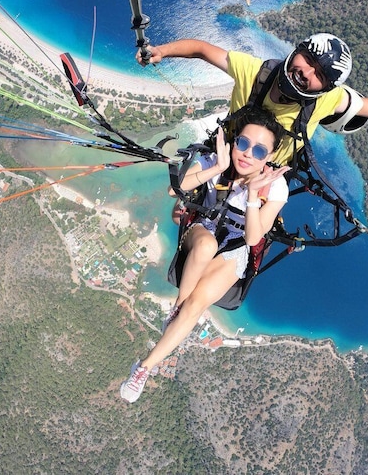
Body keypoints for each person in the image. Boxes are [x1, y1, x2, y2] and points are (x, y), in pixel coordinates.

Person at [120, 107, 290, 403]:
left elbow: (252, 237)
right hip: (203, 231)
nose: (248, 154)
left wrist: (252, 195)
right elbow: (177, 191)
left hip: (236, 246)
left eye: (259, 150)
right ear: (234, 141)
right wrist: (217, 167)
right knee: (207, 247)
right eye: (244, 143)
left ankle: (143, 368)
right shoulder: (215, 161)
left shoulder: (275, 187)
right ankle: (176, 309)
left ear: (269, 157)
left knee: (197, 306)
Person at [136, 33, 368, 165]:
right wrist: (162, 51)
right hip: (226, 151)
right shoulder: (256, 72)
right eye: (308, 59)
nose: (307, 72)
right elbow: (202, 50)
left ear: (325, 87)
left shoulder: (327, 100)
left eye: (319, 74)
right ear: (295, 52)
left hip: (267, 172)